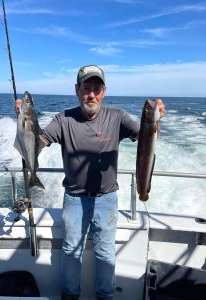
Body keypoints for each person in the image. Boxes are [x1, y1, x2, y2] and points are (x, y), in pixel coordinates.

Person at [15, 65, 165, 300]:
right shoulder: (63, 119)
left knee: (105, 255)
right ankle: (69, 296)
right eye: (86, 88)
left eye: (96, 89)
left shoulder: (118, 117)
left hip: (107, 199)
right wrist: (24, 122)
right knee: (71, 253)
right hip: (74, 198)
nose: (91, 94)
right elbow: (37, 144)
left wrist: (155, 121)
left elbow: (147, 137)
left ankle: (105, 297)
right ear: (77, 90)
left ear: (104, 91)